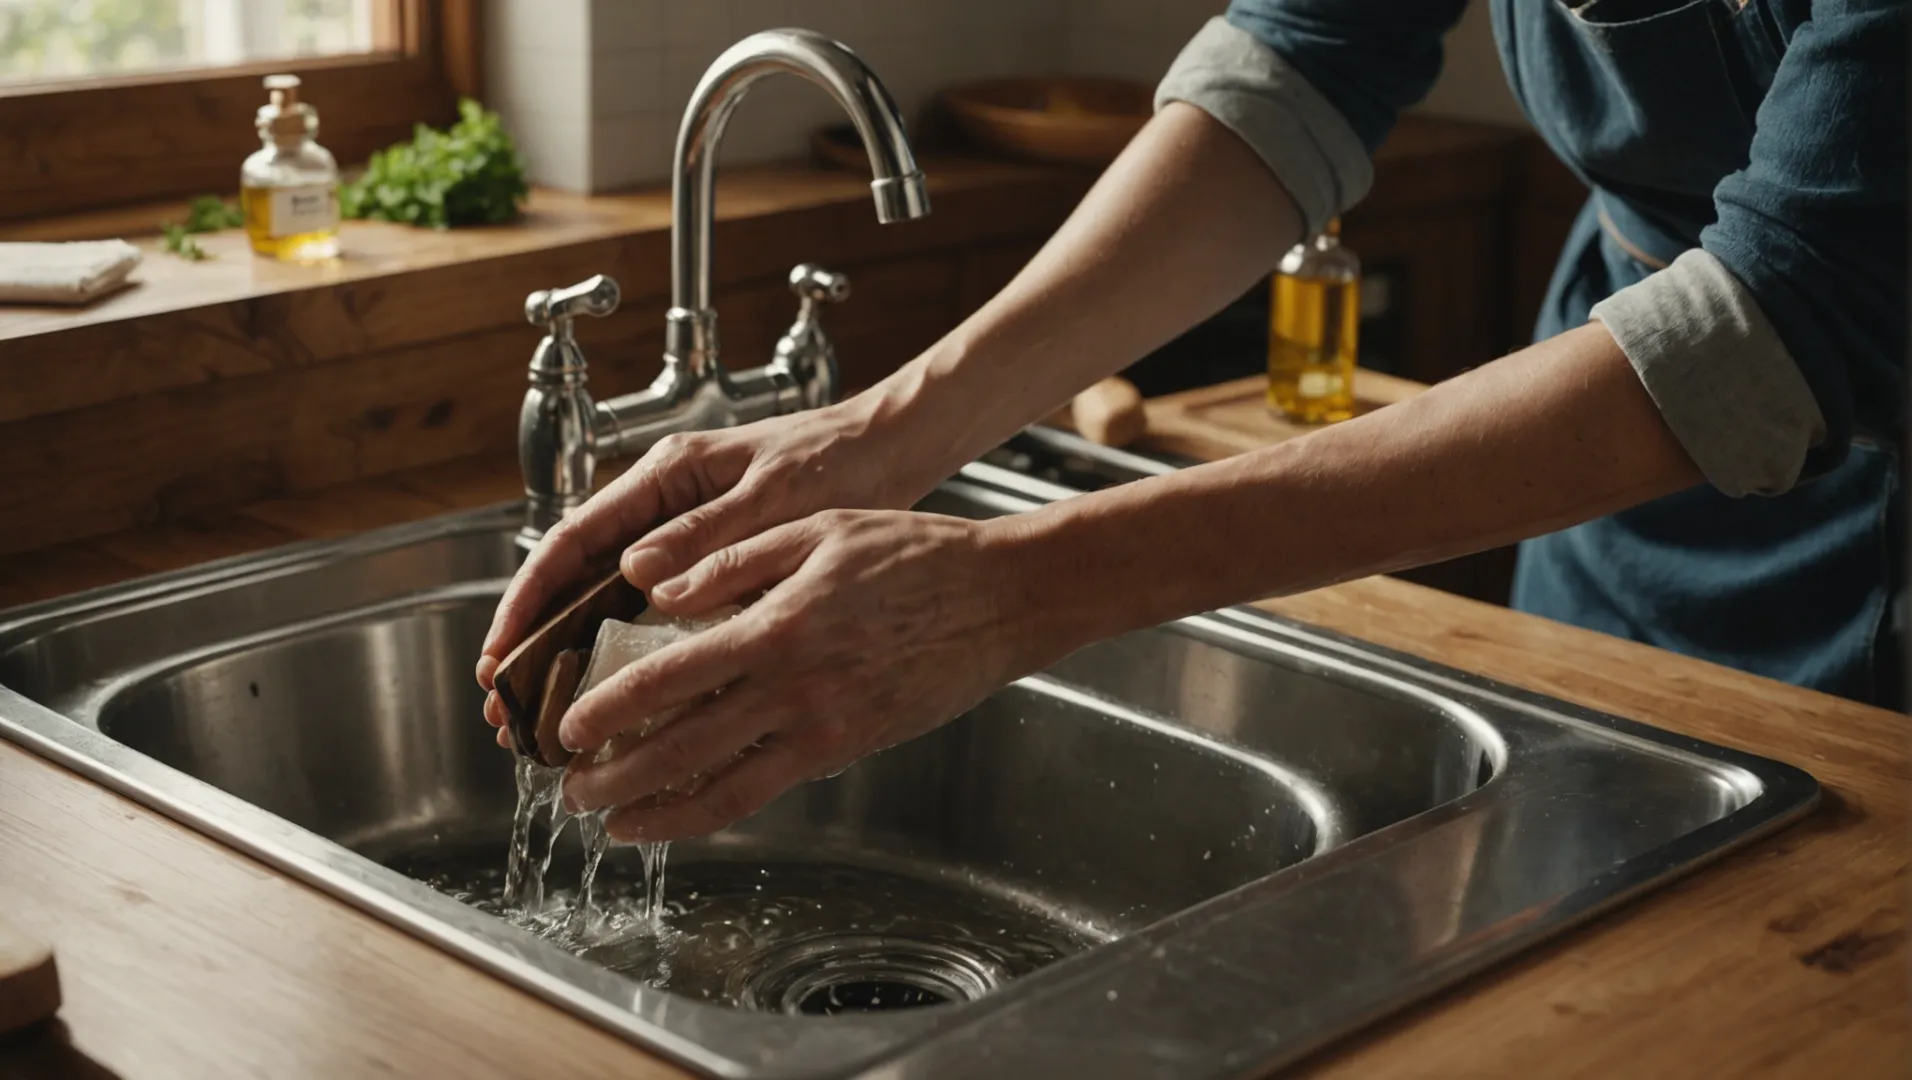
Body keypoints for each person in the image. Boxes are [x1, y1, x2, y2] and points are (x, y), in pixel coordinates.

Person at [476, 1, 1907, 843]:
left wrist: (1020, 587)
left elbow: (1797, 311)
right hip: (1616, 517)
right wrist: (881, 431)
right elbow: (1308, 55)